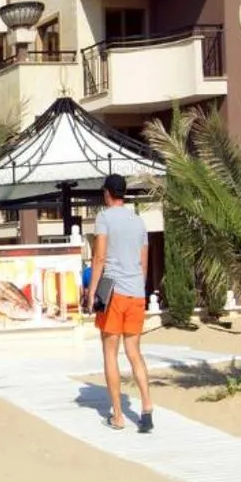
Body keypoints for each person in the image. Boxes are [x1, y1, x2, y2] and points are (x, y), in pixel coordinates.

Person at [84, 173, 154, 433]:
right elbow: (144, 262)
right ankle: (147, 407)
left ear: (107, 193)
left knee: (110, 353)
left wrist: (92, 292)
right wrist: (139, 288)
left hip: (113, 293)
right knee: (134, 352)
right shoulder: (138, 222)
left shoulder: (104, 218)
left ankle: (118, 415)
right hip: (136, 292)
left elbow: (100, 256)